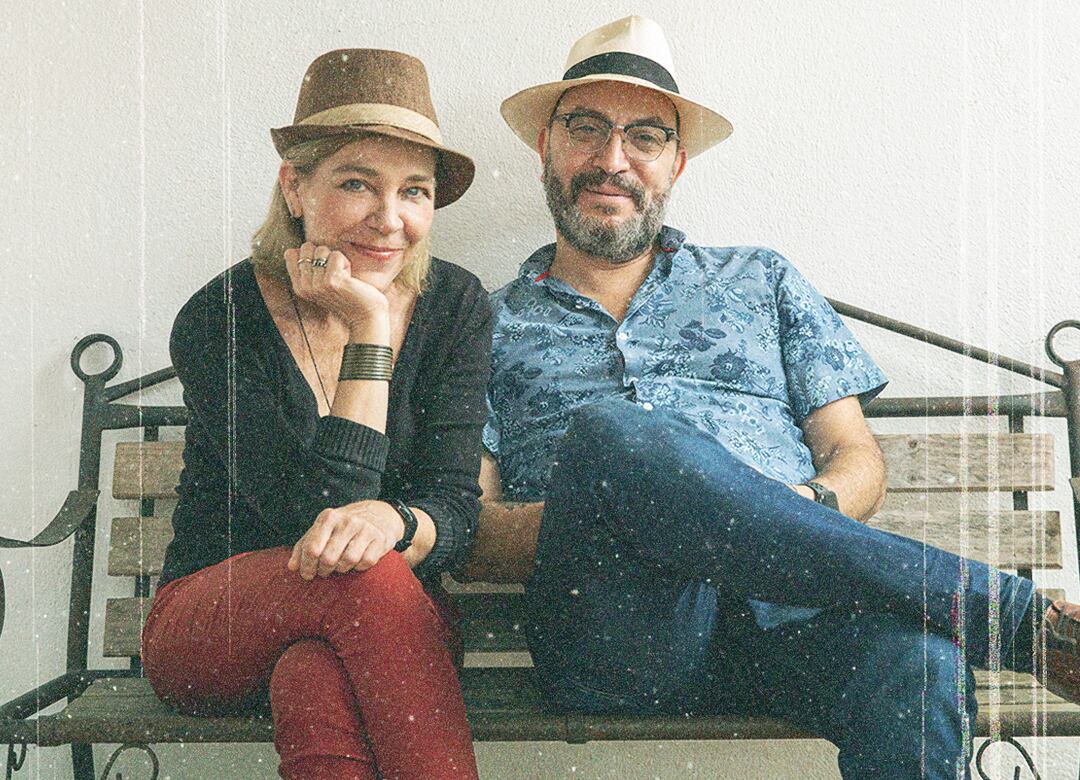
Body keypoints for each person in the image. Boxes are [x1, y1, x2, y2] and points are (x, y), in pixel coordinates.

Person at [477, 16, 1080, 779]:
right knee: (613, 435)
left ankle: (984, 618)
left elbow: (855, 457)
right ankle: (1015, 618)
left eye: (645, 137)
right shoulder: (482, 324)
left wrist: (769, 516)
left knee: (920, 662)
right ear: (546, 149)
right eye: (585, 129)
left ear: (677, 162)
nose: (612, 160)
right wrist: (635, 507)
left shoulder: (761, 281)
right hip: (621, 638)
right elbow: (476, 527)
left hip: (796, 624)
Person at [141, 49, 490, 780]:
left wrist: (395, 522)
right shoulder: (220, 318)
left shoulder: (455, 306)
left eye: (415, 191)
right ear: (294, 187)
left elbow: (454, 507)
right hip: (216, 622)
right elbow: (317, 522)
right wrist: (370, 330)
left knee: (315, 675)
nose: (389, 220)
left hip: (380, 629)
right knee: (358, 574)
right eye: (357, 183)